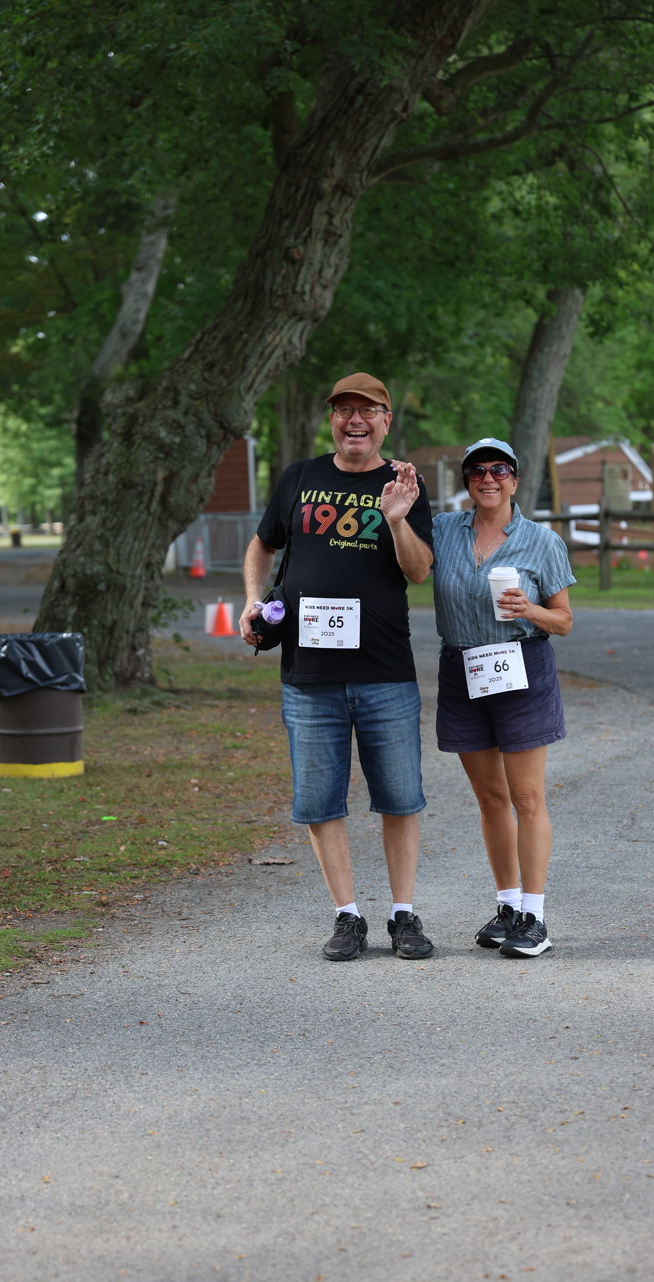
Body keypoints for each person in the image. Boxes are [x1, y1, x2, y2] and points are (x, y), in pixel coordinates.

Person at [239, 373, 435, 962]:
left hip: (385, 672)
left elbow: (419, 571)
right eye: (345, 410)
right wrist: (252, 601)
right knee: (320, 802)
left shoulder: (404, 482)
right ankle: (347, 916)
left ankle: (403, 915)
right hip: (310, 677)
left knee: (400, 798)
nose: (356, 421)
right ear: (331, 420)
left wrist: (396, 518)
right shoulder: (300, 477)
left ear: (386, 421)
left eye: (368, 411)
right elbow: (262, 544)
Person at [431, 438, 574, 958]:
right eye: (477, 471)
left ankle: (535, 917)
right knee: (490, 798)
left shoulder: (542, 541)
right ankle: (508, 905)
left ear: (515, 479)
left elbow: (564, 621)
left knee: (527, 797)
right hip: (463, 668)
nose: (487, 478)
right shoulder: (443, 530)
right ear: (467, 481)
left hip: (521, 666)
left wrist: (529, 609)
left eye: (499, 469)